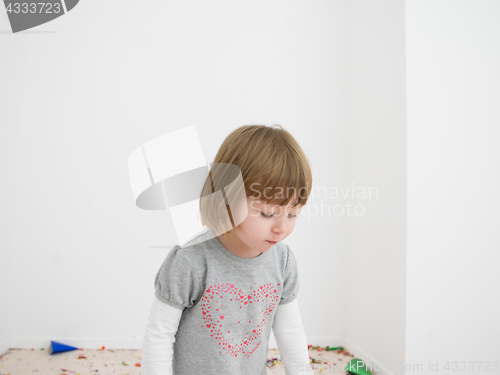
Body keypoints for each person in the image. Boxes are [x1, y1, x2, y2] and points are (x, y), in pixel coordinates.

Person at [141, 124, 314, 375]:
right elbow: (159, 336)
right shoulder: (191, 261)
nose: (282, 228)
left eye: (293, 214)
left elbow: (290, 331)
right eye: (267, 213)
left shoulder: (283, 261)